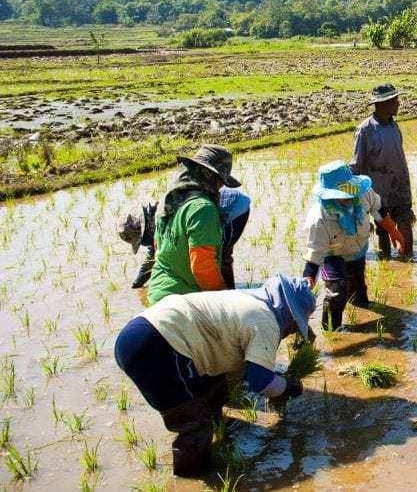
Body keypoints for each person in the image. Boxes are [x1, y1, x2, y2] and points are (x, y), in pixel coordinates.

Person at [114, 274, 315, 477]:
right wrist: (288, 386)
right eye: (295, 325)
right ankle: (189, 481)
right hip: (155, 346)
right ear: (290, 315)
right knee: (194, 424)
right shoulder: (266, 320)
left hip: (139, 332)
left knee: (214, 387)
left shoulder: (247, 298)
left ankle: (217, 433)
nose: (291, 331)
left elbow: (234, 365)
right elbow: (259, 380)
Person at [302, 160, 404, 329]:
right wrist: (309, 277)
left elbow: (379, 211)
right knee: (336, 292)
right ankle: (331, 332)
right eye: (340, 193)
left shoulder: (363, 194)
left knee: (359, 296)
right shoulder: (319, 218)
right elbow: (315, 253)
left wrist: (394, 231)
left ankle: (361, 316)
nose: (346, 197)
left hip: (358, 251)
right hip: (332, 255)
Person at [147, 145, 242, 305]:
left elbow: (158, 248)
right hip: (183, 304)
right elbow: (202, 267)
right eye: (221, 181)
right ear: (211, 176)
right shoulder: (202, 208)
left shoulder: (168, 201)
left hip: (157, 296)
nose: (221, 187)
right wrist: (227, 301)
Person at [121, 189, 250, 290]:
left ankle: (229, 296)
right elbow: (153, 255)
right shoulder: (156, 221)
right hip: (218, 205)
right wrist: (137, 285)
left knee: (220, 256)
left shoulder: (165, 212)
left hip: (233, 207)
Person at [350, 84, 414, 260]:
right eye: (395, 101)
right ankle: (385, 262)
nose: (398, 104)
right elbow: (356, 167)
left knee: (406, 224)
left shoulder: (394, 126)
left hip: (401, 188)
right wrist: (358, 204)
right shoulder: (365, 131)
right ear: (383, 104)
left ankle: (408, 262)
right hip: (379, 193)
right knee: (384, 231)